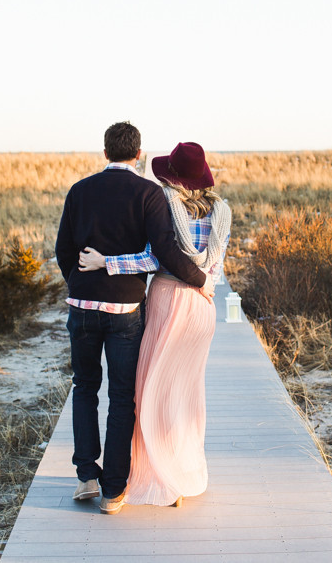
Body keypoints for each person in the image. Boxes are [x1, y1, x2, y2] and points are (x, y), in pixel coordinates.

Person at [55, 123, 206, 515]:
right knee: (123, 397)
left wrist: (79, 283)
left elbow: (63, 250)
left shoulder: (79, 191)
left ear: (105, 151)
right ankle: (113, 492)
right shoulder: (148, 193)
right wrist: (200, 280)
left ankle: (86, 474)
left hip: (82, 308)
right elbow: (166, 252)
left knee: (84, 388)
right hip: (125, 313)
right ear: (138, 154)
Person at [79, 141, 231, 508]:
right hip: (202, 306)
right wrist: (205, 285)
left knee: (148, 393)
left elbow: (151, 257)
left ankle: (160, 477)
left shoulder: (165, 204)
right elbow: (216, 270)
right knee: (185, 395)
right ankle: (181, 477)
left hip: (167, 302)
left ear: (173, 177)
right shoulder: (223, 212)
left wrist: (106, 263)